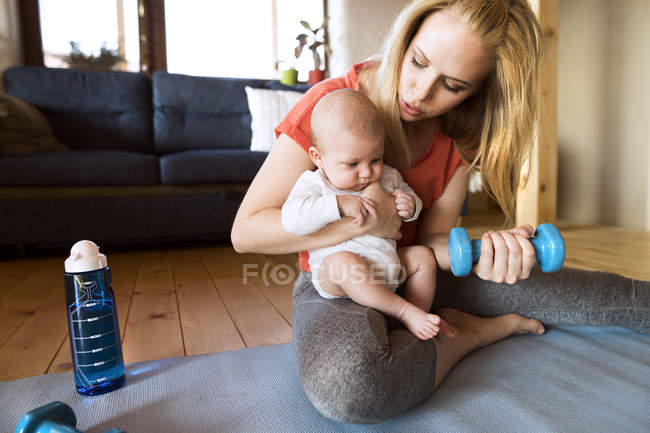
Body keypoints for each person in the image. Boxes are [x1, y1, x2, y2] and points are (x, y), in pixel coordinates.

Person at [231, 0, 648, 424]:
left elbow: (431, 243)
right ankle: (467, 334)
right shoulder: (332, 107)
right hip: (339, 283)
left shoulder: (457, 139)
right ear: (407, 36)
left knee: (596, 296)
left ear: (479, 90)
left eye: (452, 85)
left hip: (417, 273)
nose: (419, 92)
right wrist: (364, 223)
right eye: (418, 61)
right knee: (353, 385)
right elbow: (245, 233)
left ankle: (430, 322)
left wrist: (488, 249)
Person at [282, 89, 456, 340]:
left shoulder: (388, 175)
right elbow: (291, 219)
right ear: (319, 158)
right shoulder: (315, 184)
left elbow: (408, 195)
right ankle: (405, 312)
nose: (366, 172)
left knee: (422, 257)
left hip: (387, 265)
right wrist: (337, 205)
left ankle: (417, 316)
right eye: (352, 164)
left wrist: (410, 205)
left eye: (375, 158)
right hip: (340, 277)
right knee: (343, 263)